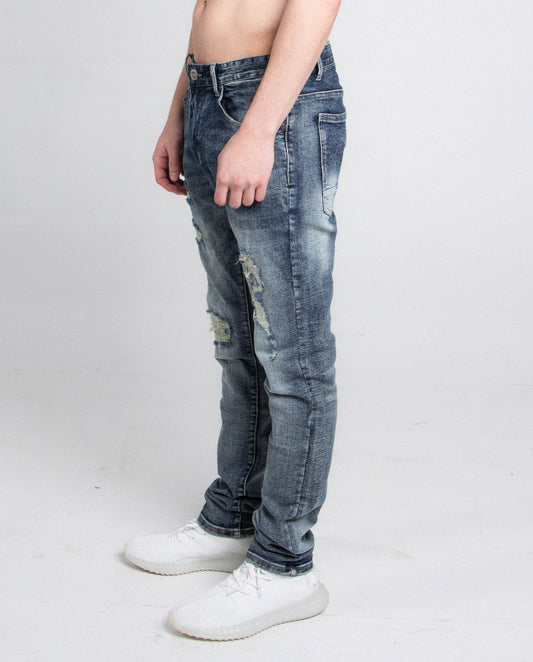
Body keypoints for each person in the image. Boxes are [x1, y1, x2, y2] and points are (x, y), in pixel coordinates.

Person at [125, 0, 346, 640]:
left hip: (272, 102)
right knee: (238, 337)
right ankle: (234, 517)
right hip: (209, 94)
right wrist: (181, 109)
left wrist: (257, 129)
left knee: (292, 351)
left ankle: (285, 564)